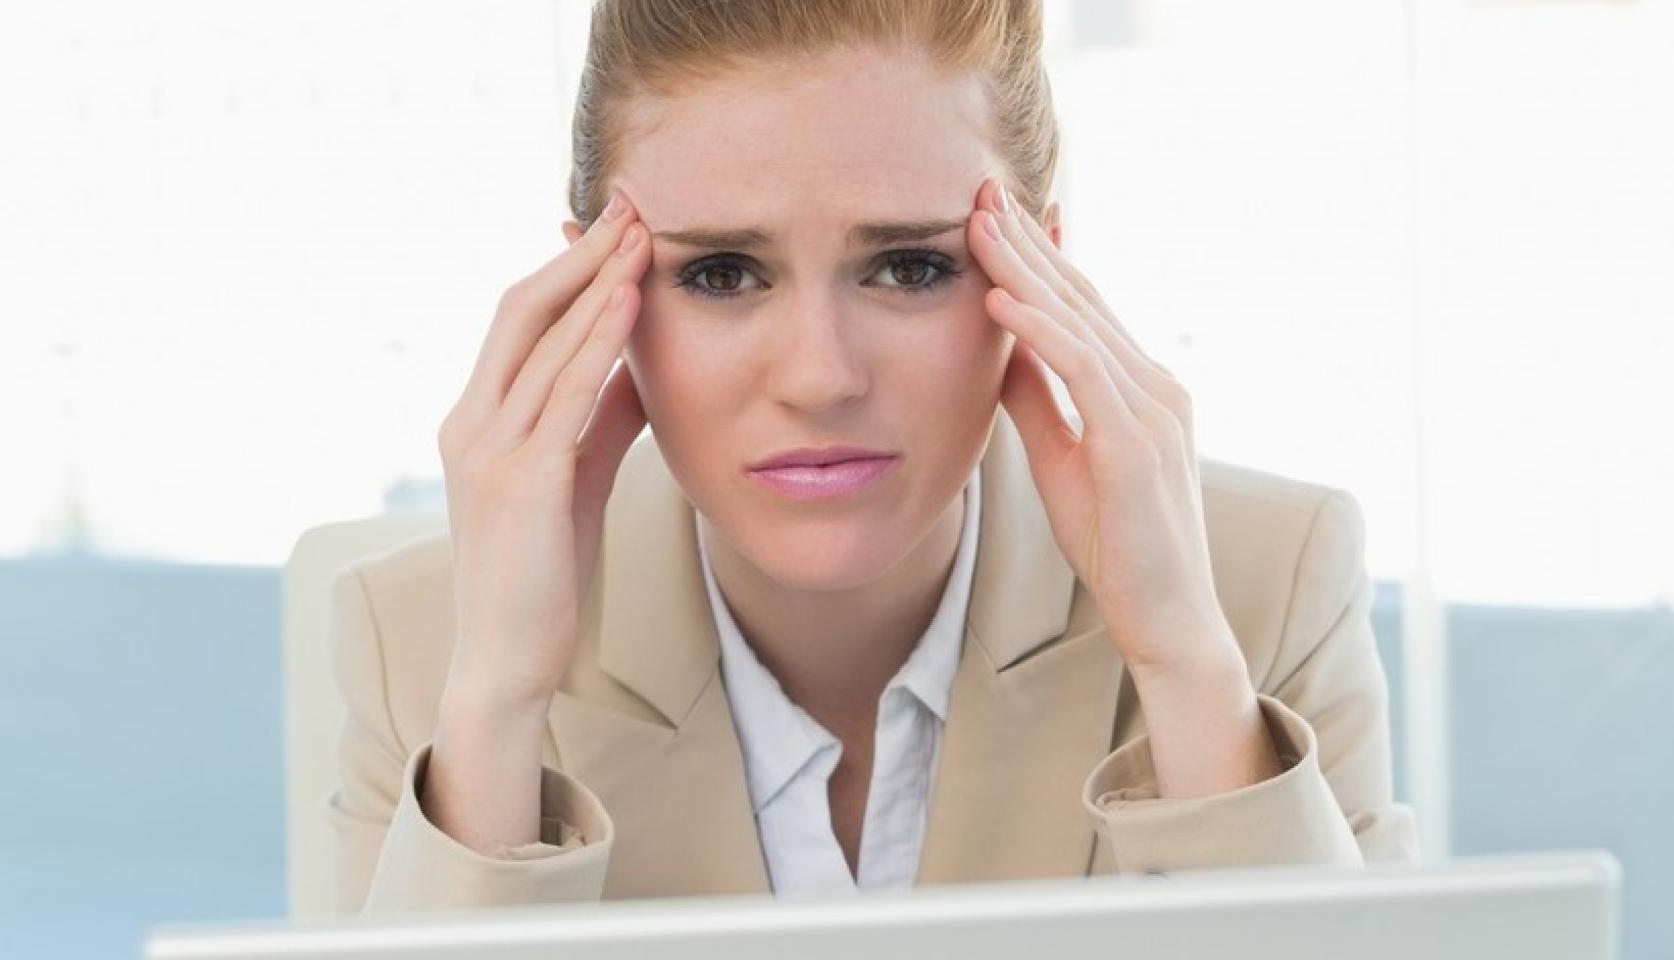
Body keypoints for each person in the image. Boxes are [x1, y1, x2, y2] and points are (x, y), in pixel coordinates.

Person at [326, 0, 1419, 914]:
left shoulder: (1263, 593)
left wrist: (1183, 663)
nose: (819, 375)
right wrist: (498, 706)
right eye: (717, 274)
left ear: (1038, 270)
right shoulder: (426, 645)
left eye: (906, 267)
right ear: (585, 305)